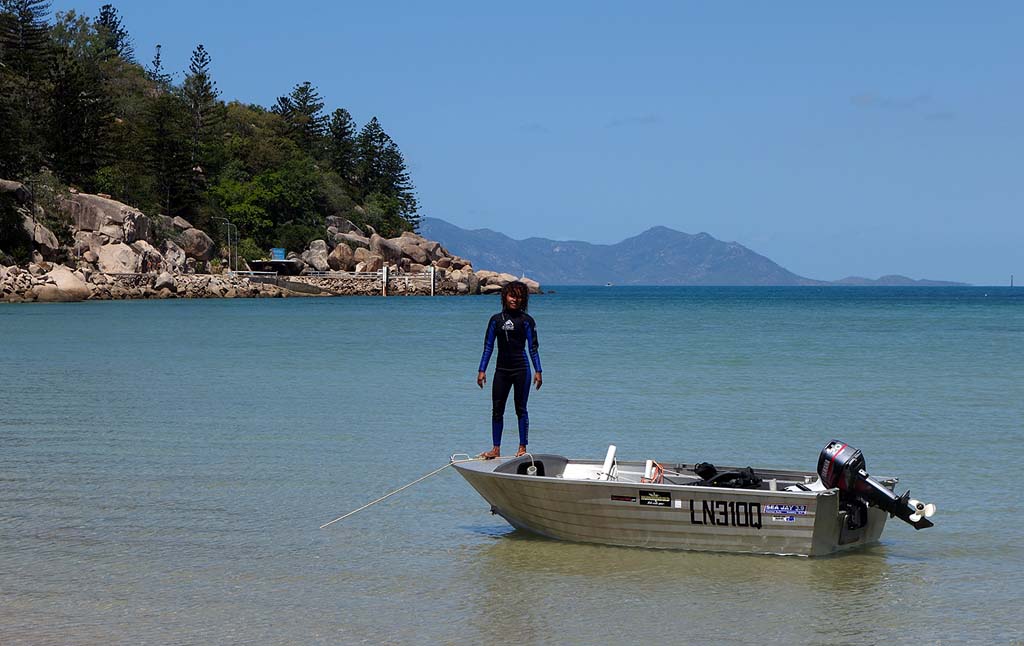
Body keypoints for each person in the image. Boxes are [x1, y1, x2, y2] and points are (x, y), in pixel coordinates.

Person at [477, 281, 542, 459]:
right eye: (512, 295)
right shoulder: (496, 320)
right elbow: (488, 346)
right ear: (505, 296)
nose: (515, 299)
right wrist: (482, 370)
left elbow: (533, 348)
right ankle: (496, 449)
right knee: (497, 410)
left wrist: (538, 370)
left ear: (524, 299)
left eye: (519, 296)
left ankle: (522, 448)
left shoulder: (527, 321)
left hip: (521, 369)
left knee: (521, 409)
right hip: (501, 371)